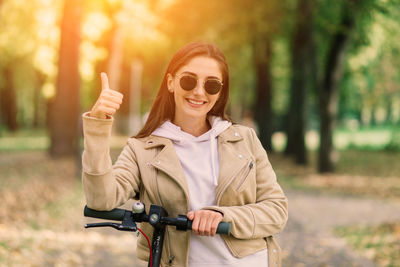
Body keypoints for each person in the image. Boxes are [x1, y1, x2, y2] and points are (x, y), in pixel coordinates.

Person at [82, 42, 288, 267]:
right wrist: (98, 125)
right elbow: (101, 199)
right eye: (189, 80)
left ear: (220, 93)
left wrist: (222, 216)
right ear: (171, 82)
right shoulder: (141, 149)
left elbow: (276, 210)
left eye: (211, 85)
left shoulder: (245, 139)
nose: (199, 91)